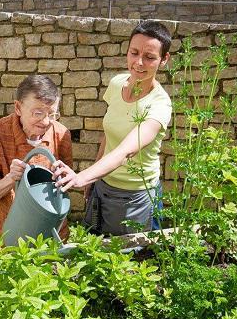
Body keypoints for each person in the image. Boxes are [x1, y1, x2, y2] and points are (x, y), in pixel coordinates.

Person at [52, 20, 172, 236]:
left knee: (131, 262)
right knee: (94, 250)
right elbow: (109, 135)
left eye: (150, 57)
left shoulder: (159, 105)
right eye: (134, 53)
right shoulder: (117, 84)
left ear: (164, 60)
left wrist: (82, 177)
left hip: (136, 197)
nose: (139, 62)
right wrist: (95, 177)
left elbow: (126, 151)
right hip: (104, 186)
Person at [0, 75, 73, 250]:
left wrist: (65, 179)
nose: (46, 121)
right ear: (18, 107)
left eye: (52, 114)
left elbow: (66, 188)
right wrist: (11, 178)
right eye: (38, 113)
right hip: (4, 237)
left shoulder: (61, 134)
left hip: (47, 235)